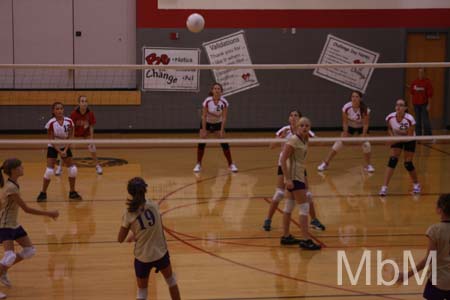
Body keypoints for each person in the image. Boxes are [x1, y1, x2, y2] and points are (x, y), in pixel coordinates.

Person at [0, 158, 59, 290]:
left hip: (13, 224)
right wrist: (49, 213)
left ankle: (2, 270)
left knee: (29, 251)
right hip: (5, 225)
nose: (23, 168)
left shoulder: (13, 184)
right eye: (21, 167)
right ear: (14, 170)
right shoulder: (11, 188)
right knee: (9, 256)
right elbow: (26, 209)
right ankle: (2, 270)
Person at [118, 177, 181, 300]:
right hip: (160, 254)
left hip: (143, 257)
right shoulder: (154, 206)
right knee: (171, 281)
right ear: (144, 190)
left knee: (142, 292)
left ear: (130, 192)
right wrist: (135, 233)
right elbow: (150, 225)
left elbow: (120, 239)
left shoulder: (129, 214)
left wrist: (132, 232)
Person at [262, 110, 325, 232]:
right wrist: (280, 138)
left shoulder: (304, 130)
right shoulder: (284, 130)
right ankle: (268, 219)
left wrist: (311, 139)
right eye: (291, 115)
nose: (293, 117)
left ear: (301, 119)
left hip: (299, 167)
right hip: (284, 165)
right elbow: (271, 146)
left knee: (307, 194)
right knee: (279, 193)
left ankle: (314, 220)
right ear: (288, 119)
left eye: (296, 115)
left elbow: (320, 141)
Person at [279, 117, 321, 250]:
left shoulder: (304, 139)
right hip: (295, 178)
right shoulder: (293, 140)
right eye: (302, 125)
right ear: (297, 127)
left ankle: (285, 236)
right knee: (304, 208)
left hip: (299, 176)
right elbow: (283, 159)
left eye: (307, 126)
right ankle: (306, 240)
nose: (304, 128)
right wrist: (288, 179)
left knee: (289, 206)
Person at [398, 194, 450, 299]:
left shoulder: (435, 230)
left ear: (439, 210)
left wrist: (407, 275)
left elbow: (429, 259)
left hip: (438, 281)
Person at [317, 91, 375, 173]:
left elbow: (366, 124)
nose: (354, 98)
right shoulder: (346, 107)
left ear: (360, 98)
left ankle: (368, 165)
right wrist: (345, 133)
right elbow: (345, 122)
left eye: (356, 97)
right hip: (350, 126)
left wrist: (363, 135)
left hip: (361, 127)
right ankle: (325, 163)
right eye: (353, 96)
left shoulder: (365, 109)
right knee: (339, 142)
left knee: (366, 144)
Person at [36, 102, 82, 202]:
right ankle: (43, 193)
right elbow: (51, 140)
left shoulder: (69, 121)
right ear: (53, 111)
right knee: (49, 171)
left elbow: (71, 136)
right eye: (57, 109)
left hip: (65, 146)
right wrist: (59, 151)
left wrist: (65, 150)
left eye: (61, 108)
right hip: (53, 147)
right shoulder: (51, 123)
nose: (59, 110)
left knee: (73, 169)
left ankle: (72, 192)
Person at [379, 99, 420, 196]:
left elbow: (409, 136)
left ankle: (416, 184)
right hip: (397, 137)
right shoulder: (390, 117)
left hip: (409, 140)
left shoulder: (410, 119)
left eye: (401, 105)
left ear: (405, 108)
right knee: (392, 160)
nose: (398, 107)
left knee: (408, 164)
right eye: (397, 105)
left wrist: (394, 140)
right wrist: (392, 137)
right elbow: (389, 128)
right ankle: (384, 187)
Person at [193, 82, 238, 173]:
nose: (217, 90)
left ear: (221, 91)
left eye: (219, 89)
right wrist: (204, 130)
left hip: (218, 124)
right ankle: (198, 164)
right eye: (215, 88)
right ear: (212, 90)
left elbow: (224, 117)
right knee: (202, 142)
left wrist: (221, 130)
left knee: (224, 143)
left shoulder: (224, 102)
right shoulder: (207, 101)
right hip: (207, 123)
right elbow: (204, 116)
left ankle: (230, 164)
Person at [55, 95, 102, 176]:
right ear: (79, 103)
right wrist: (69, 139)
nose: (84, 103)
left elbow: (91, 127)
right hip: (74, 133)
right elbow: (71, 127)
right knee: (65, 148)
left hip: (85, 134)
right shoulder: (74, 114)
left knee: (92, 146)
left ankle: (97, 166)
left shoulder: (90, 114)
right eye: (82, 101)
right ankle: (60, 167)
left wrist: (91, 139)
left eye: (86, 101)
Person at [410, 68, 433, 136]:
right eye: (419, 72)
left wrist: (429, 104)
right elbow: (411, 93)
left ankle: (428, 135)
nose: (420, 74)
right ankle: (418, 135)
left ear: (424, 73)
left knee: (425, 121)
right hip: (416, 104)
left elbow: (430, 95)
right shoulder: (414, 82)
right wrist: (411, 103)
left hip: (424, 104)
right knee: (417, 121)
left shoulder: (427, 82)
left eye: (422, 72)